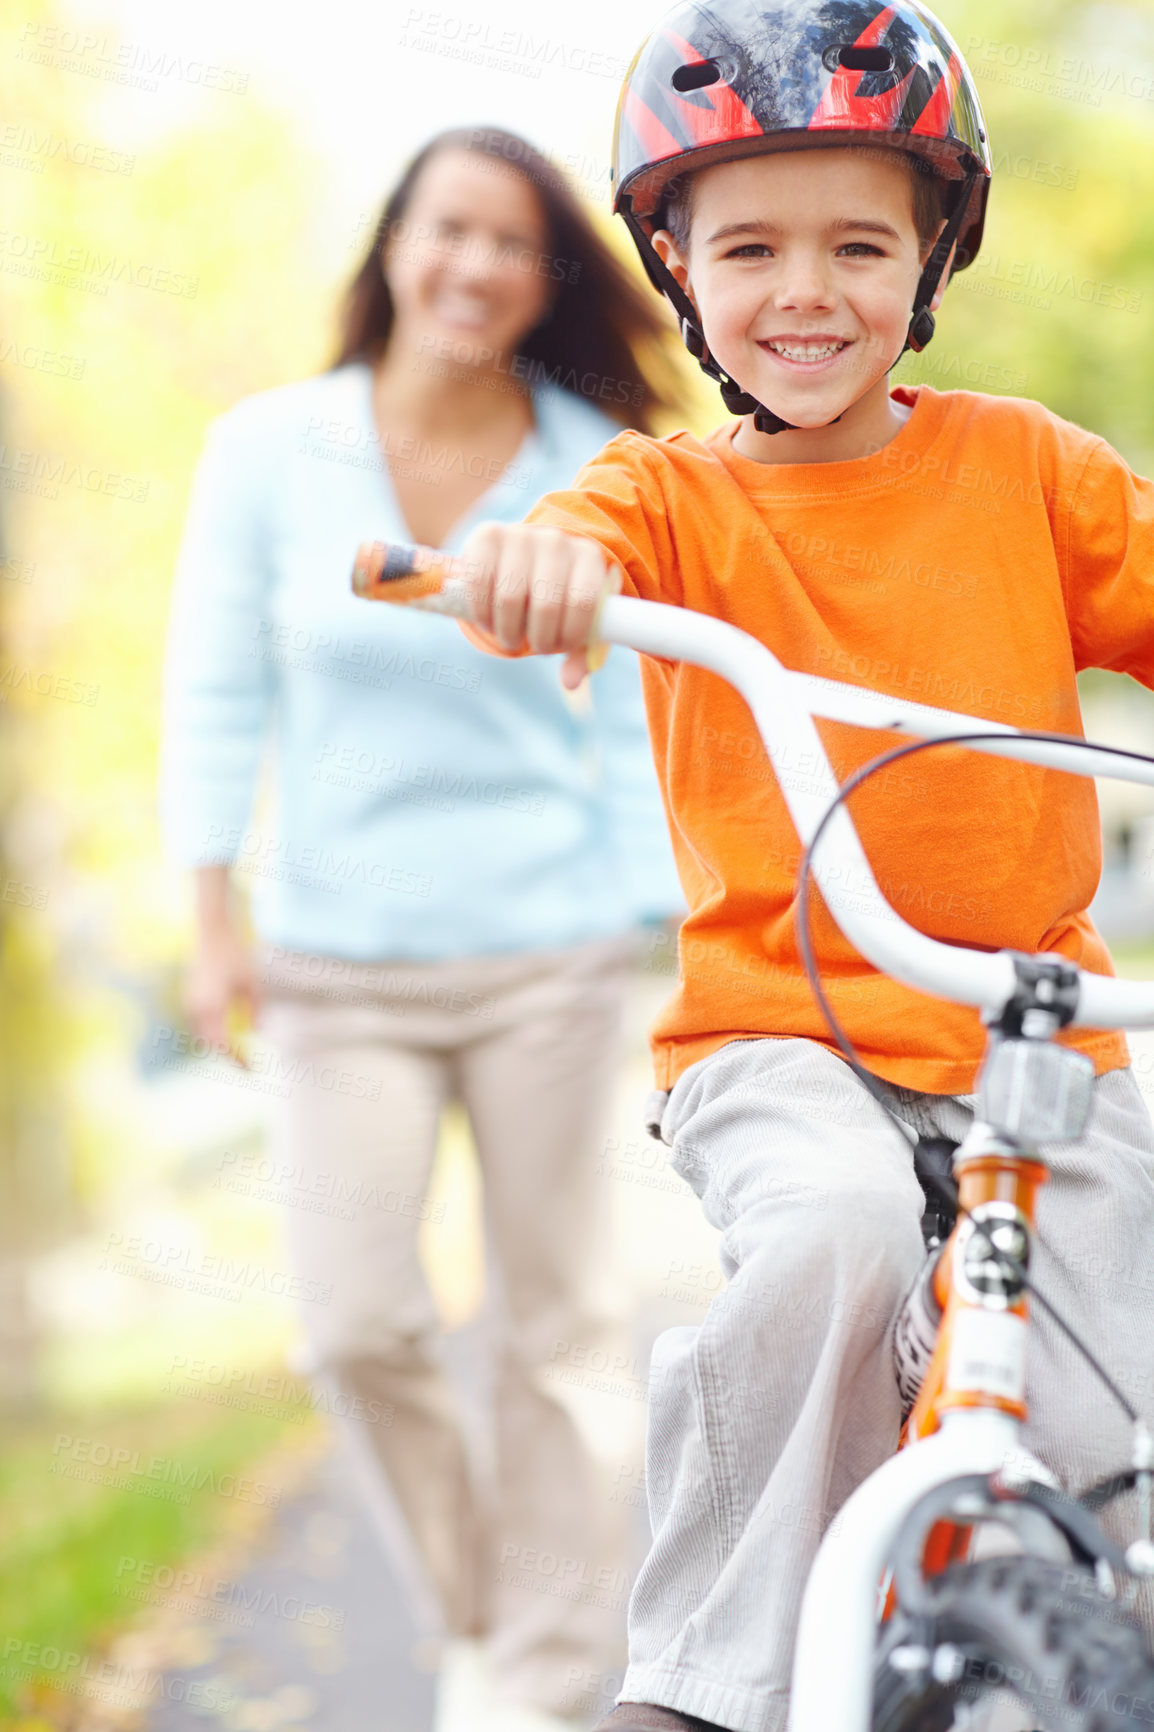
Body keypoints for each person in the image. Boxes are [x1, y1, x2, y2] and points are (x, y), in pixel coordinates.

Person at [431, 4, 1154, 1728]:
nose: (806, 290)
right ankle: (698, 1679)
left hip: (1032, 1025)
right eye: (749, 246)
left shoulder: (1029, 472)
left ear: (931, 259)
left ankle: (1066, 1631)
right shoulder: (666, 501)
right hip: (783, 1029)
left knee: (1115, 1312)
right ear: (676, 268)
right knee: (828, 1235)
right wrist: (524, 569)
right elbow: (561, 547)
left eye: (858, 243)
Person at [161, 127, 687, 1731]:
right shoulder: (269, 450)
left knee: (558, 1341)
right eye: (447, 231)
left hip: (552, 956)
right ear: (394, 244)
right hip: (332, 967)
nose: (473, 267)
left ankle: (533, 1682)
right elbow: (212, 687)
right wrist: (210, 915)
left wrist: (644, 937)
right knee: (356, 1324)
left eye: (512, 243)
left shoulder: (591, 461)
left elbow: (629, 734)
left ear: (546, 279)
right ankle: (485, 1603)